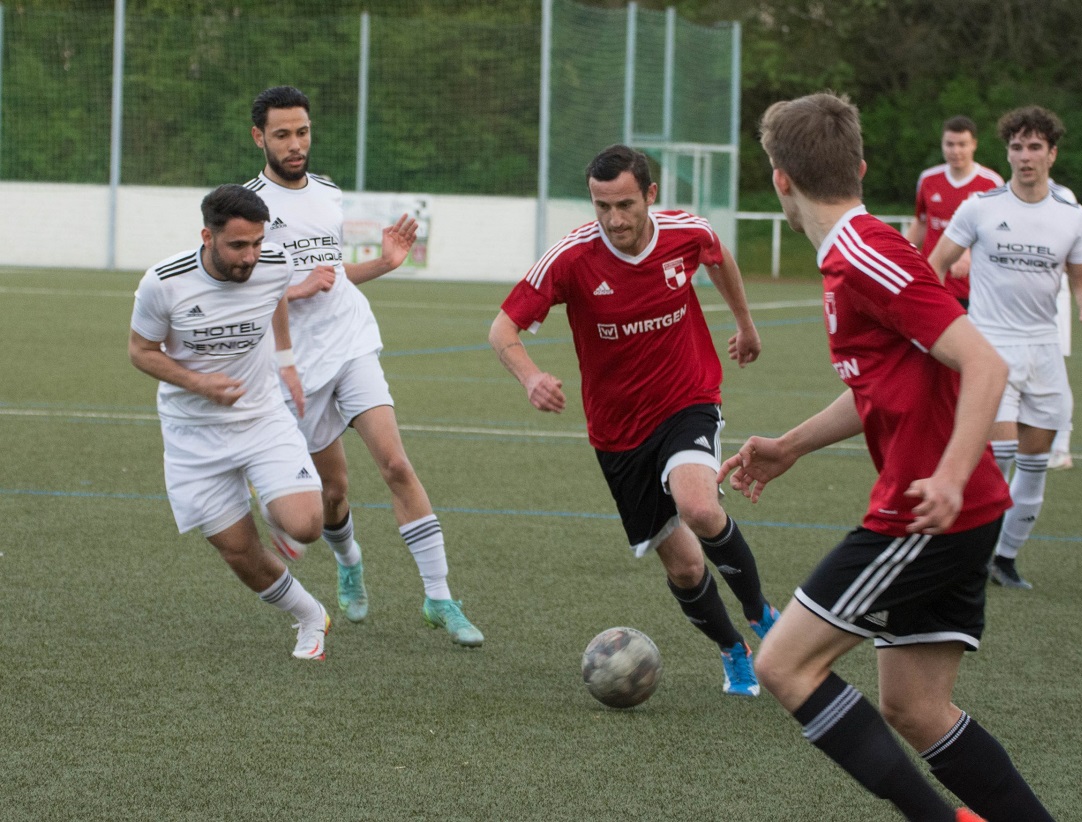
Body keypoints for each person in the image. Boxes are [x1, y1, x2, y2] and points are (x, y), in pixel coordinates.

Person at [720, 92, 1054, 821]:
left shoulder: (867, 254)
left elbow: (985, 365)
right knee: (916, 707)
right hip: (954, 507)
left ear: (780, 180)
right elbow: (883, 383)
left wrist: (953, 473)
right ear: (861, 167)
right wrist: (791, 446)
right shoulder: (852, 256)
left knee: (783, 663)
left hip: (930, 510)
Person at [488, 144, 778, 696]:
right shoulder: (571, 259)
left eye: (624, 204)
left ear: (650, 194)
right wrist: (530, 377)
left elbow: (718, 257)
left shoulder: (685, 232)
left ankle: (762, 613)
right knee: (686, 569)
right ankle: (732, 650)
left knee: (698, 504)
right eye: (602, 207)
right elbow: (502, 329)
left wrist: (746, 324)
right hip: (618, 433)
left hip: (687, 396)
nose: (614, 220)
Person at [245, 85, 483, 645]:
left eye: (302, 131)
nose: (295, 143)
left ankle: (440, 599)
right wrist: (296, 290)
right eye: (282, 134)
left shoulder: (327, 191)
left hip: (351, 343)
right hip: (297, 367)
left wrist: (384, 261)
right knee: (333, 493)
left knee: (396, 464)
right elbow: (244, 289)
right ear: (259, 137)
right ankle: (349, 560)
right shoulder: (249, 206)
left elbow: (332, 273)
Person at [129, 184, 331, 661]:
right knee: (240, 553)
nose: (250, 257)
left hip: (261, 417)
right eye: (238, 245)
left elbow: (276, 296)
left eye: (258, 243)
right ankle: (309, 616)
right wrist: (200, 385)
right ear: (207, 236)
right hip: (192, 433)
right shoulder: (163, 283)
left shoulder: (273, 264)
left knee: (305, 526)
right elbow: (140, 352)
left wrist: (285, 361)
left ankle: (273, 505)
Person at [929, 106, 1082, 589]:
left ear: (1052, 153)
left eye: (1034, 147)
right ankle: (963, 553)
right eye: (1016, 147)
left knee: (1034, 463)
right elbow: (935, 265)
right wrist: (942, 324)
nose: (1024, 157)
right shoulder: (982, 207)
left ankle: (1004, 559)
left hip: (1044, 352)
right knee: (999, 450)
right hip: (991, 349)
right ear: (1006, 152)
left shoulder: (1072, 217)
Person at [904, 116, 1005, 309]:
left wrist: (968, 252)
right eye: (949, 144)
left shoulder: (992, 183)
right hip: (934, 283)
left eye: (962, 144)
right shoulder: (928, 179)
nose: (955, 151)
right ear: (942, 144)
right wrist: (902, 254)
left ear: (974, 144)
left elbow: (999, 235)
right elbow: (921, 223)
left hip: (975, 288)